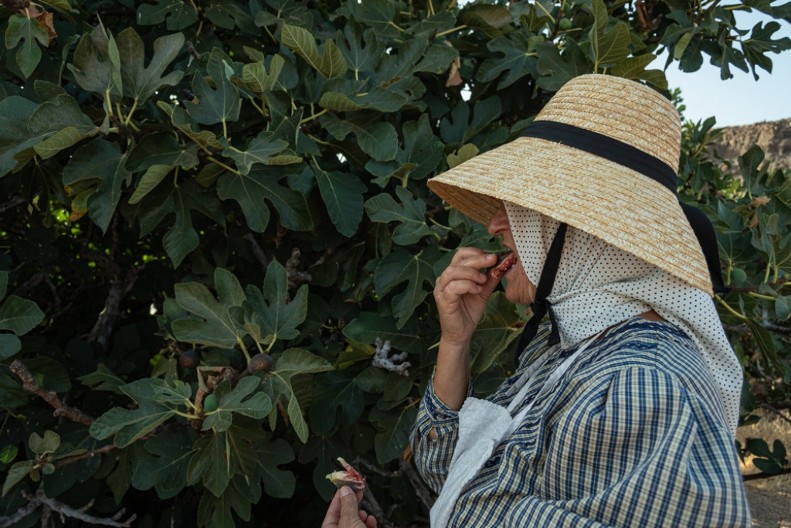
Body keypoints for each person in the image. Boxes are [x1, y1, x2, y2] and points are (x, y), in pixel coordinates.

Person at [322, 73, 751, 527]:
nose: (494, 224)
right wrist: (455, 342)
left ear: (583, 234)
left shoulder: (644, 386)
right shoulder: (569, 345)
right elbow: (448, 472)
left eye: (522, 206)